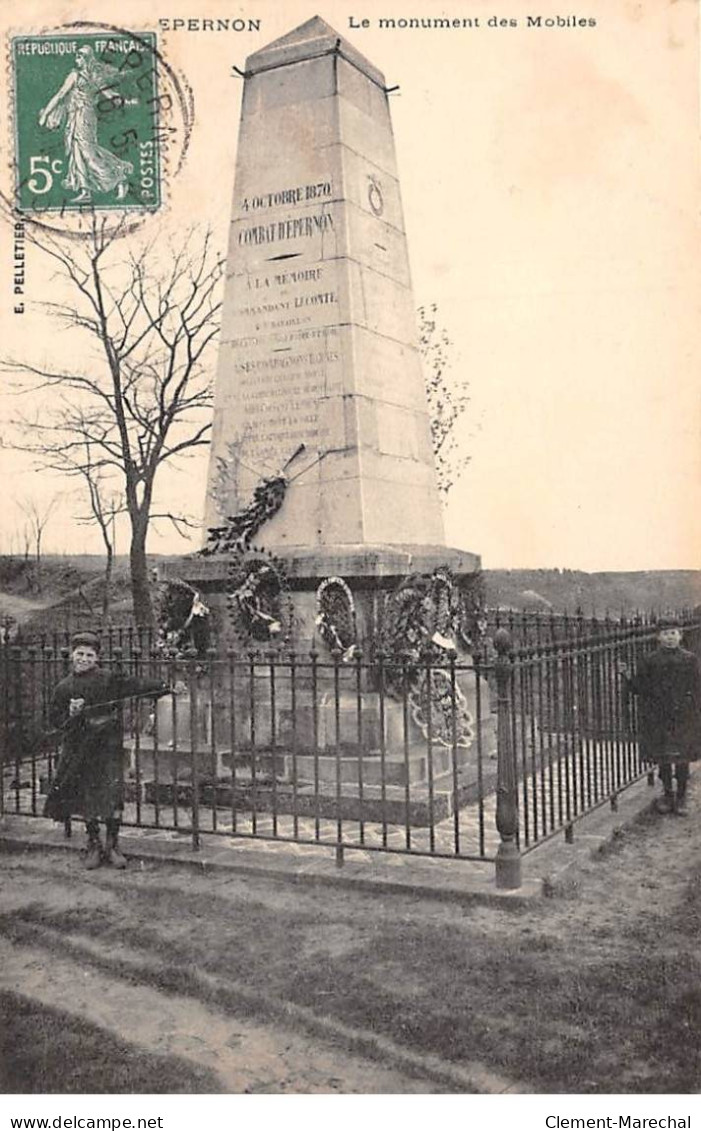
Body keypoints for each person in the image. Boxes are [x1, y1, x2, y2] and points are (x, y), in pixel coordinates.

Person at [44, 633, 169, 869]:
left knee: (112, 796)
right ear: (72, 655)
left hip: (107, 747)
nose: (83, 659)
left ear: (97, 658)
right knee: (88, 797)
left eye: (89, 655)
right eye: (79, 654)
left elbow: (136, 686)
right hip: (79, 749)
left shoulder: (108, 679)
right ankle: (94, 844)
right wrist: (71, 714)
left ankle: (113, 845)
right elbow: (55, 721)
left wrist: (165, 687)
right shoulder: (63, 687)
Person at [621, 618, 701, 815]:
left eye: (673, 633)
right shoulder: (650, 661)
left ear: (680, 636)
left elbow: (697, 686)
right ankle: (667, 793)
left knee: (682, 757)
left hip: (684, 714)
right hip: (659, 715)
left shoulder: (690, 659)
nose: (670, 638)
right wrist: (627, 676)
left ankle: (681, 796)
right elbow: (641, 687)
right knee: (663, 756)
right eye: (665, 634)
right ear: (658, 637)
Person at [37, 45, 133, 203]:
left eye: (80, 57)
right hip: (76, 116)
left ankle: (118, 179)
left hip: (85, 117)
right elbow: (62, 95)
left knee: (87, 152)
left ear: (87, 59)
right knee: (78, 151)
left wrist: (126, 101)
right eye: (76, 56)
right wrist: (46, 113)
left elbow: (108, 94)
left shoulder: (83, 76)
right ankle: (85, 190)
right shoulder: (81, 75)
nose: (77, 59)